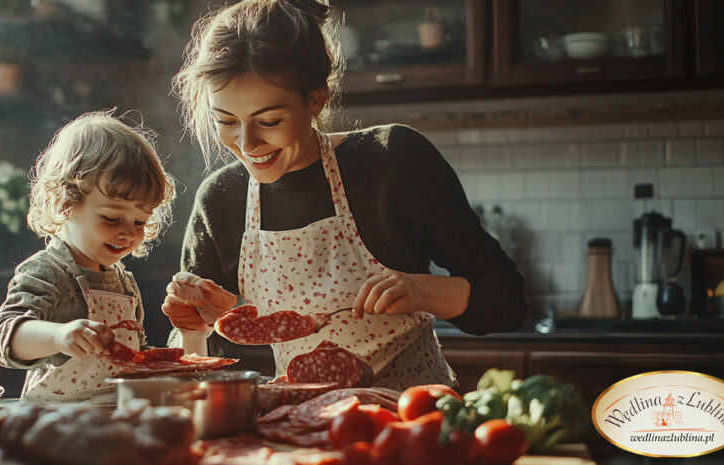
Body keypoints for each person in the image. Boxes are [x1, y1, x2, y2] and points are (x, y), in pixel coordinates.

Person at [163, 0, 527, 390]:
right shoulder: (222, 198)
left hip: (412, 424)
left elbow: (507, 301)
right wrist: (194, 326)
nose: (247, 143)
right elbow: (194, 361)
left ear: (315, 99)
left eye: (269, 121)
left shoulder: (393, 161)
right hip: (298, 430)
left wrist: (422, 290)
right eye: (226, 121)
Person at [0, 111, 175, 402]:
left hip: (112, 420)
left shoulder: (124, 282)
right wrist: (58, 337)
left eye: (140, 222)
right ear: (65, 202)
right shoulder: (47, 271)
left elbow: (135, 357)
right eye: (112, 218)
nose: (128, 232)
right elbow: (2, 336)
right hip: (53, 424)